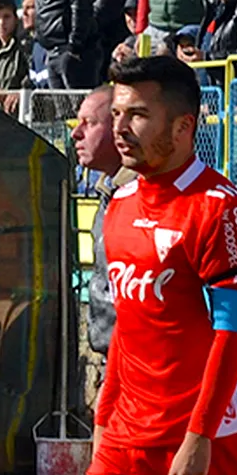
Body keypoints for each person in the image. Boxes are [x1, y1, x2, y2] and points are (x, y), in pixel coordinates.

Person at [72, 55, 237, 475]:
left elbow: (233, 336)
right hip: (124, 440)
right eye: (116, 114)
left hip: (208, 443)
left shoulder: (221, 210)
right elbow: (126, 332)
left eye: (136, 115)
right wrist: (103, 422)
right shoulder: (118, 205)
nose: (120, 128)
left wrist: (199, 438)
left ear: (184, 126)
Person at [72, 85, 134, 362]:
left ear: (119, 129)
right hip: (114, 359)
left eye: (90, 123)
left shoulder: (142, 195)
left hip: (141, 366)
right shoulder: (108, 190)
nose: (76, 133)